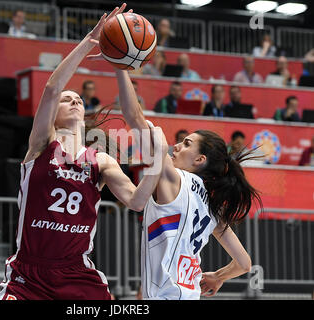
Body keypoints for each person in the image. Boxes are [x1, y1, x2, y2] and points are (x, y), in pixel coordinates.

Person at [0, 4, 168, 300]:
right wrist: (87, 44)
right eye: (67, 99)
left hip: (77, 274)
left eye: (78, 99)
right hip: (28, 274)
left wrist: (158, 158)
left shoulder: (101, 160)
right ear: (54, 112)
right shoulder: (41, 146)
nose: (74, 100)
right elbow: (51, 88)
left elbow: (138, 202)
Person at [111, 67, 262, 300]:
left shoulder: (173, 178)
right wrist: (218, 276)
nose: (177, 146)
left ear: (200, 160)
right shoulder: (213, 207)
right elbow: (244, 263)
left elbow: (134, 116)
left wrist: (120, 65)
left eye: (186, 143)